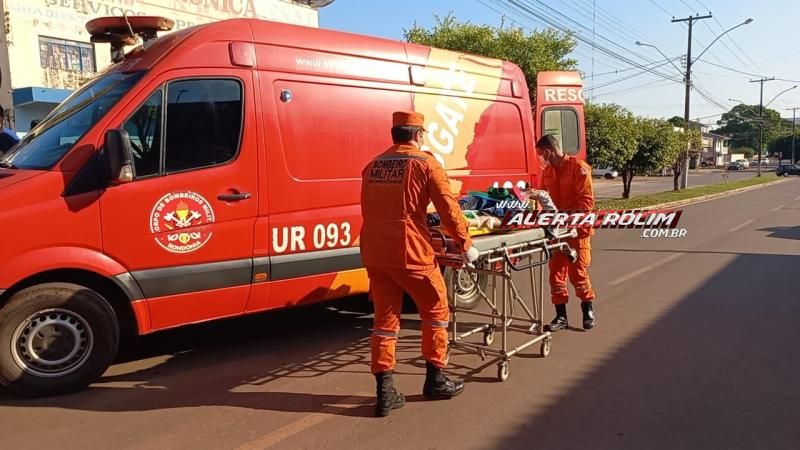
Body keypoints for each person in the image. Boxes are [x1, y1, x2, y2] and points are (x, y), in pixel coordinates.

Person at [360, 110, 479, 417]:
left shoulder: (372, 165)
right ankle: (436, 379)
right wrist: (466, 244)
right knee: (437, 312)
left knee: (385, 323)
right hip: (411, 251)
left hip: (376, 252)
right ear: (417, 135)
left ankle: (384, 391)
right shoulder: (425, 163)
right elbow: (449, 209)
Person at [536, 134, 597, 332]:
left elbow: (586, 202)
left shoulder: (579, 168)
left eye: (540, 154)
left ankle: (587, 309)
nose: (540, 159)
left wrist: (566, 220)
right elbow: (544, 200)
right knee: (556, 276)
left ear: (548, 151)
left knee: (578, 274)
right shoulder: (547, 173)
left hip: (576, 231)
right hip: (557, 234)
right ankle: (561, 316)